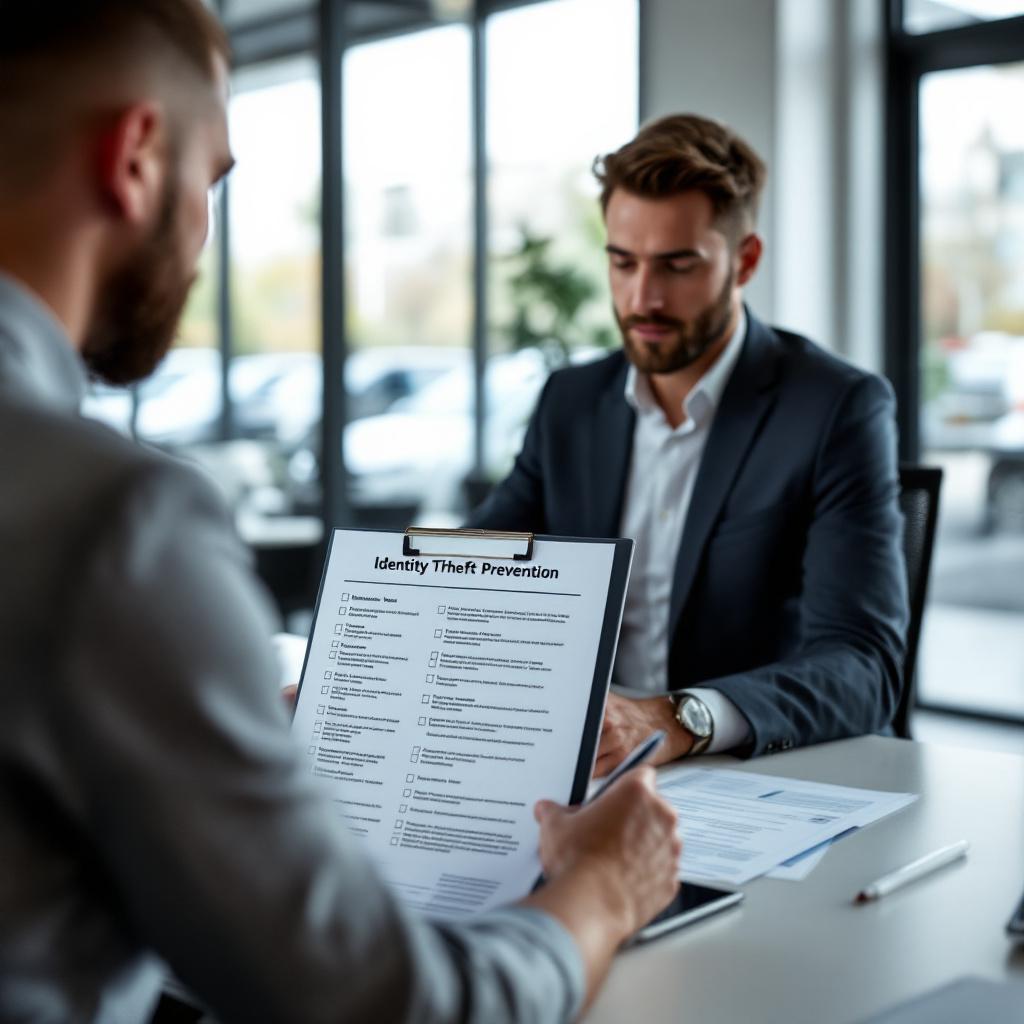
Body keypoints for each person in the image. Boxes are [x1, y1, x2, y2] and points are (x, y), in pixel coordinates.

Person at [0, 3, 682, 1021]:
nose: (203, 233)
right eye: (214, 180)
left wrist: (198, 732)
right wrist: (599, 888)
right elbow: (386, 1005)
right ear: (137, 158)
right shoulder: (116, 520)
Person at [469, 114, 909, 772]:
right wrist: (362, 682)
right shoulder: (570, 402)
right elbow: (469, 576)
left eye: (677, 266)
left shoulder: (835, 409)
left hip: (753, 772)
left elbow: (863, 665)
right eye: (622, 262)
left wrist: (675, 718)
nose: (642, 297)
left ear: (745, 261)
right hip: (586, 769)